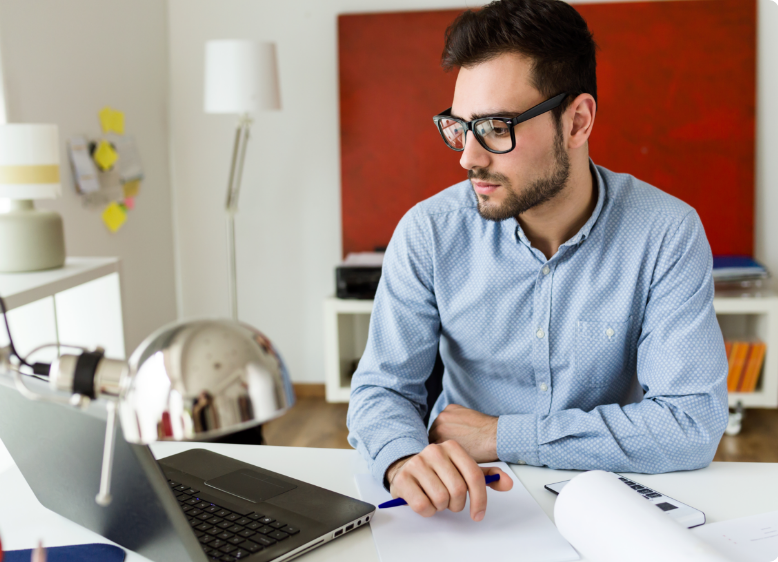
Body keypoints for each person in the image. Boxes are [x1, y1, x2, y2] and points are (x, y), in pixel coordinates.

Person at [347, 0, 729, 522]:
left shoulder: (666, 232)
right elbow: (382, 390)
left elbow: (690, 423)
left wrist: (501, 434)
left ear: (577, 122)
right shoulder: (428, 232)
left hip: (607, 502)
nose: (468, 157)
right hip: (467, 504)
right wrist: (402, 459)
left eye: (496, 127)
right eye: (460, 126)